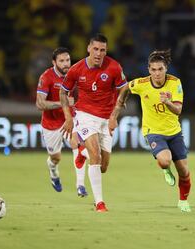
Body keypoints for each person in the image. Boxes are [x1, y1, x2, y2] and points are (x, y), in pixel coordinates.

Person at [109, 49, 192, 212]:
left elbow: (178, 110)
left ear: (166, 68)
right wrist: (116, 110)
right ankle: (166, 169)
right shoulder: (141, 84)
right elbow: (125, 88)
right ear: (148, 70)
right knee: (164, 160)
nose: (157, 73)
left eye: (160, 69)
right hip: (153, 131)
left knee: (184, 171)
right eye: (153, 70)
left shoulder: (175, 83)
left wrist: (167, 102)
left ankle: (183, 201)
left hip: (174, 132)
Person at [60, 34, 127, 212]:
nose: (98, 53)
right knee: (96, 155)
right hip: (85, 116)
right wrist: (68, 117)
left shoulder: (114, 67)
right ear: (88, 48)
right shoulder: (76, 69)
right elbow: (63, 92)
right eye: (95, 49)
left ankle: (82, 153)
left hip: (106, 119)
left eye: (102, 50)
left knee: (103, 166)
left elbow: (124, 89)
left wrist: (115, 115)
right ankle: (100, 203)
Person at [36, 47, 89, 197]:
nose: (66, 64)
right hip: (51, 124)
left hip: (70, 119)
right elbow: (40, 104)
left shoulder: (74, 74)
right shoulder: (46, 77)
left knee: (77, 144)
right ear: (54, 62)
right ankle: (53, 171)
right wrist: (62, 102)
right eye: (62, 61)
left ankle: (80, 185)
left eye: (67, 60)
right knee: (56, 158)